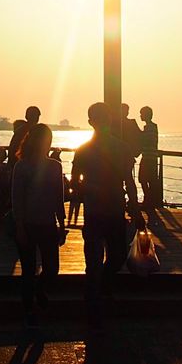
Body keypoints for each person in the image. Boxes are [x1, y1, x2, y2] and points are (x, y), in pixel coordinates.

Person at [71, 102, 145, 328]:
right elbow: (129, 182)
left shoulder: (84, 151)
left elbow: (75, 183)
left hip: (99, 211)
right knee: (113, 256)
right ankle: (96, 297)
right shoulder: (120, 149)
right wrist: (134, 206)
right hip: (109, 210)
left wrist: (88, 190)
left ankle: (95, 293)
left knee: (103, 258)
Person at [10, 123, 65, 324]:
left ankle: (39, 290)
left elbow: (58, 197)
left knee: (52, 268)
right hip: (28, 223)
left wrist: (62, 223)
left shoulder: (54, 166)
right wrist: (20, 225)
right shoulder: (22, 166)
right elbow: (16, 198)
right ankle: (28, 308)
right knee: (28, 268)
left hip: (47, 223)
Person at [137, 106, 159, 207]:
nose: (140, 116)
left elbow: (148, 141)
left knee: (143, 178)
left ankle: (149, 200)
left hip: (148, 157)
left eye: (142, 114)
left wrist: (140, 136)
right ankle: (150, 199)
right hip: (150, 156)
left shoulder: (150, 127)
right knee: (148, 179)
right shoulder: (151, 127)